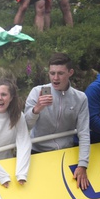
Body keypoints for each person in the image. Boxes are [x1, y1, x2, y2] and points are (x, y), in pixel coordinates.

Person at [24, 53, 90, 190]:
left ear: (70, 72)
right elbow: (25, 126)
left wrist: (83, 164)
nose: (55, 78)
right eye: (52, 73)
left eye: (60, 73)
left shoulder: (80, 98)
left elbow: (84, 132)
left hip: (66, 153)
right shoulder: (36, 92)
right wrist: (37, 109)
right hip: (38, 152)